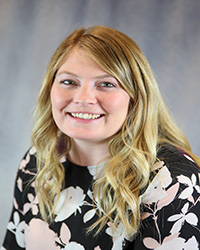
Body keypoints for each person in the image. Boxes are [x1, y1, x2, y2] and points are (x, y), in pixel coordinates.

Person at [1, 25, 200, 250]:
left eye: (106, 84)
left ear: (135, 99)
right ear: (50, 89)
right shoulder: (38, 161)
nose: (83, 98)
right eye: (69, 82)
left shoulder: (170, 180)